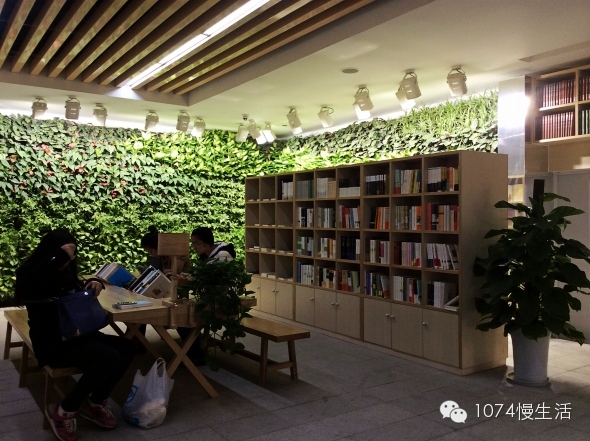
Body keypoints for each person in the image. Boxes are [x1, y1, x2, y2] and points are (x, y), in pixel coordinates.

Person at [15, 228, 135, 441]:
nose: (67, 262)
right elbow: (31, 283)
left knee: (127, 348)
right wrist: (59, 256)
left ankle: (94, 402)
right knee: (108, 357)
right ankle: (63, 410)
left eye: (70, 257)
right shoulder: (31, 272)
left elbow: (76, 291)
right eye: (63, 256)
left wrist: (93, 284)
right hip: (52, 343)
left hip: (77, 335)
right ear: (50, 252)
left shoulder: (65, 272)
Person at [178, 227, 236, 365]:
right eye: (193, 243)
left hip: (221, 300)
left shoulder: (222, 255)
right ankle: (193, 353)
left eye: (197, 243)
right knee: (183, 315)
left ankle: (195, 355)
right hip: (209, 297)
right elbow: (199, 275)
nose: (195, 247)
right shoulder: (208, 254)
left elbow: (210, 280)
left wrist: (189, 278)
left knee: (184, 317)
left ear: (207, 242)